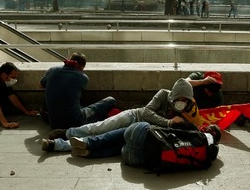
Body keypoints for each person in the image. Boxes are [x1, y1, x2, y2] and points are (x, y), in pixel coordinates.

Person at [43, 78, 200, 152]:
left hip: (138, 131)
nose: (181, 102)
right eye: (179, 98)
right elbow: (146, 111)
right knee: (99, 128)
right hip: (133, 117)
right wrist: (169, 123)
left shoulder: (187, 108)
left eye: (185, 100)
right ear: (174, 95)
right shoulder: (163, 94)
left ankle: (62, 144)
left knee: (101, 140)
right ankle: (67, 132)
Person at [66, 121, 222, 170]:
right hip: (133, 159)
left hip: (136, 135)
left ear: (208, 131)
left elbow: (168, 127)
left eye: (209, 126)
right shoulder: (206, 157)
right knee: (127, 143)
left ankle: (89, 142)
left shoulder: (195, 131)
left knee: (135, 129)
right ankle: (91, 153)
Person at [40, 52, 116, 130]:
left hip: (54, 123)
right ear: (81, 67)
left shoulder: (53, 70)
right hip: (75, 122)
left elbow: (41, 84)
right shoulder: (83, 77)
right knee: (111, 100)